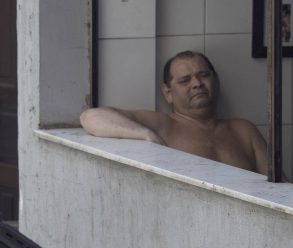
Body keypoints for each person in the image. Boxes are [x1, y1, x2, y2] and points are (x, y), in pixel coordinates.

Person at [80, 50, 268, 175]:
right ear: (168, 93)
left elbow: (280, 187)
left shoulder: (244, 130)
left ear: (216, 81)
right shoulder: (163, 126)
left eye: (204, 75)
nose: (197, 83)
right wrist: (145, 134)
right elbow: (91, 117)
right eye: (185, 80)